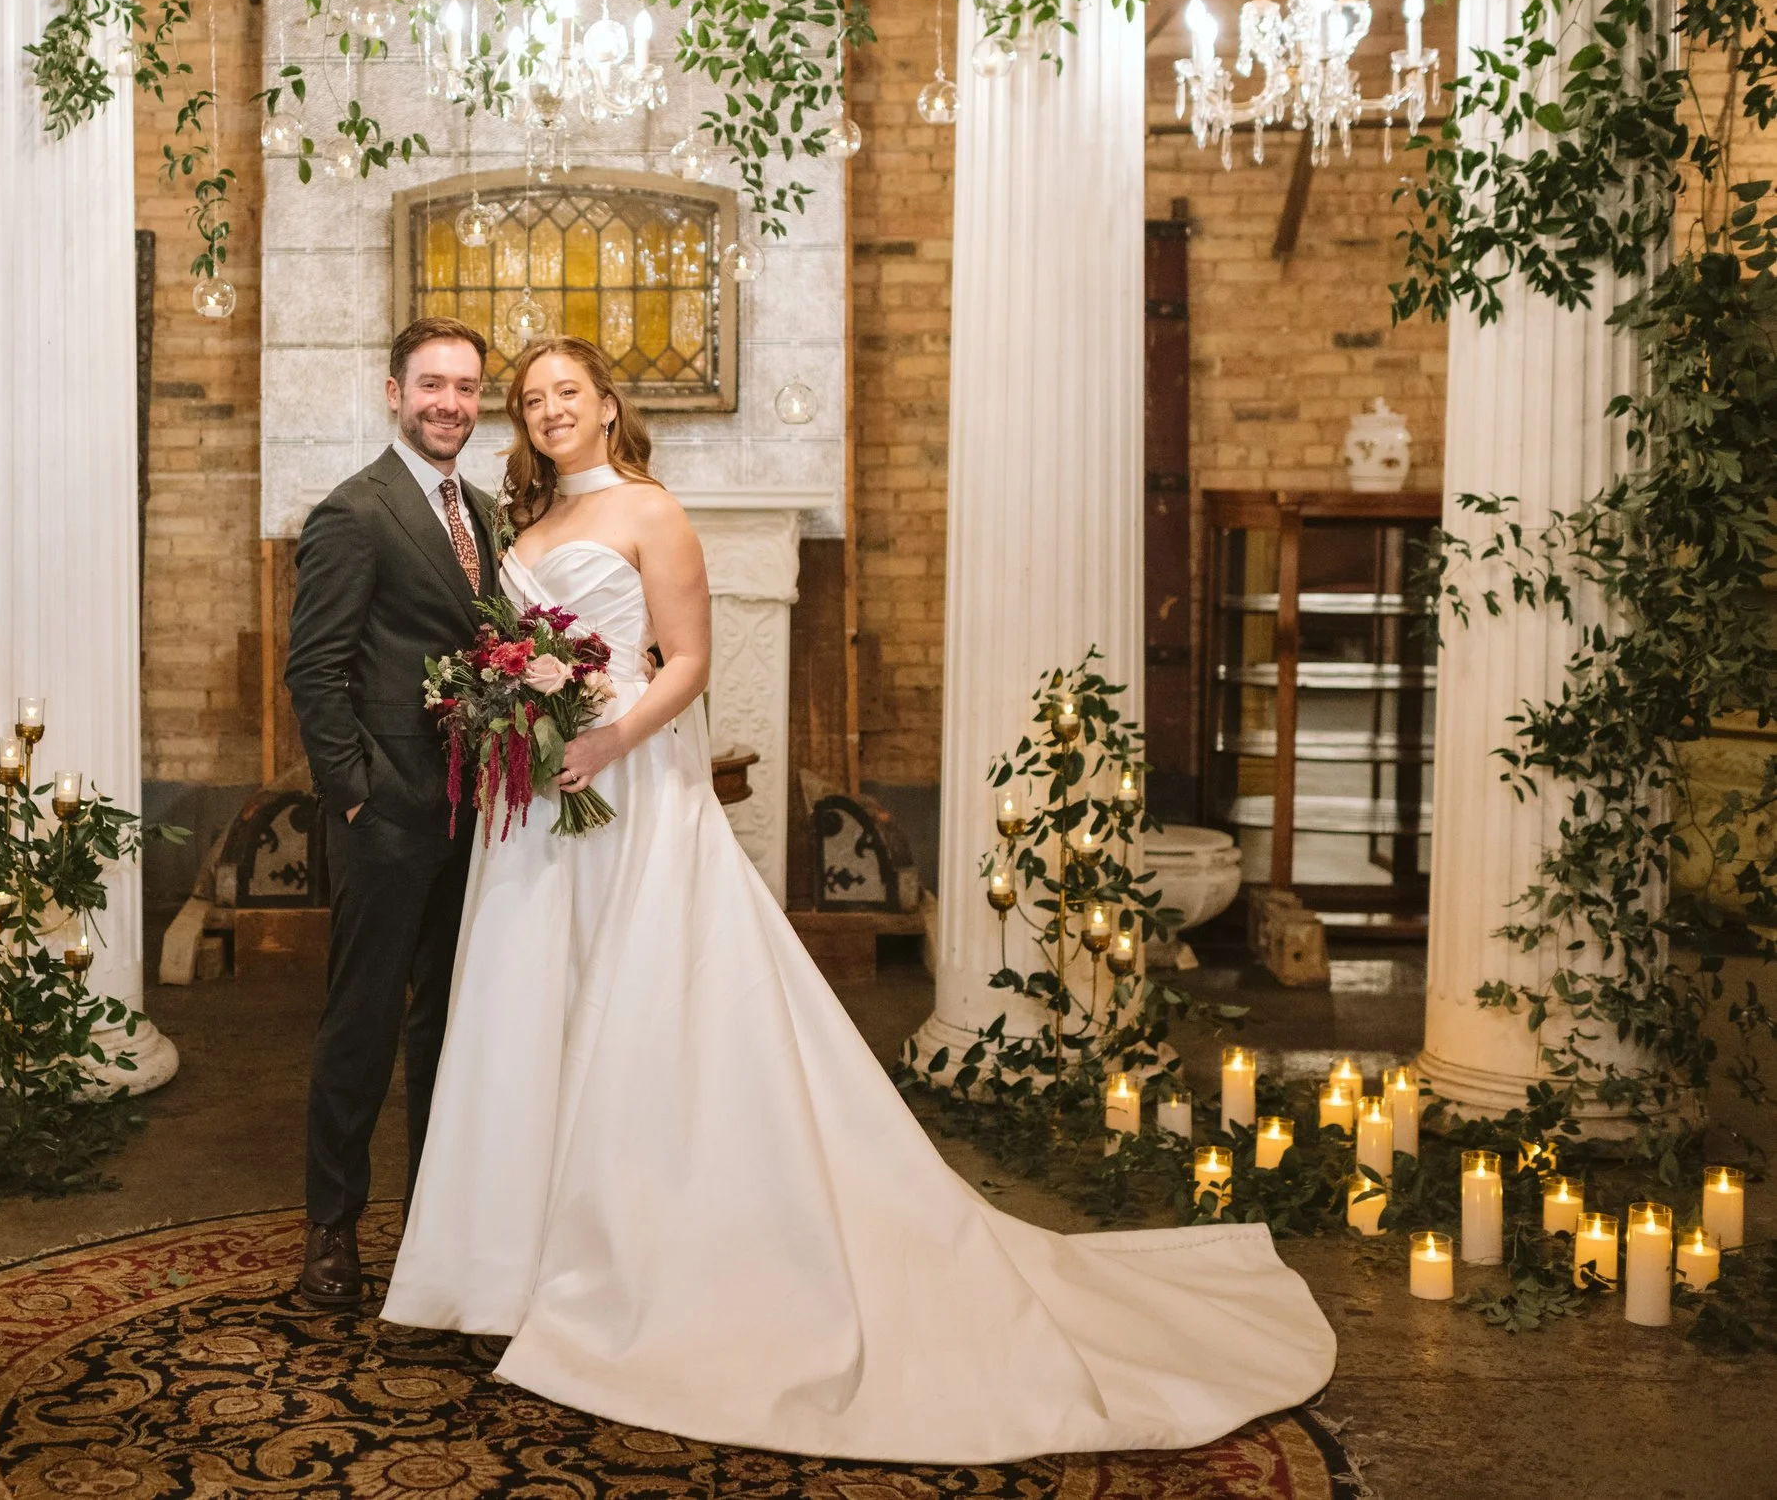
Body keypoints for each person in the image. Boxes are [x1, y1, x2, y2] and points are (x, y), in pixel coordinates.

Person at [380, 334, 1338, 1464]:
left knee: (643, 1009)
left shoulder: (651, 509)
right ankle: (511, 1260)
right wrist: (514, 717)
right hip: (533, 800)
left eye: (566, 394)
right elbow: (511, 648)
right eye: (532, 398)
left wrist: (608, 736)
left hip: (627, 782)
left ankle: (647, 1247)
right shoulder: (521, 528)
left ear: (605, 405)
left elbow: (686, 660)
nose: (548, 411)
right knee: (528, 1008)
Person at [283, 314, 501, 1310]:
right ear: (392, 391)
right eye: (430, 385)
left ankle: (435, 1222)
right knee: (361, 1023)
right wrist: (357, 796)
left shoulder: (487, 511)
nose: (448, 402)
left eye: (463, 386)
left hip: (477, 811)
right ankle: (331, 1225)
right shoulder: (354, 512)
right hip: (387, 816)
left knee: (448, 1026)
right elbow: (315, 672)